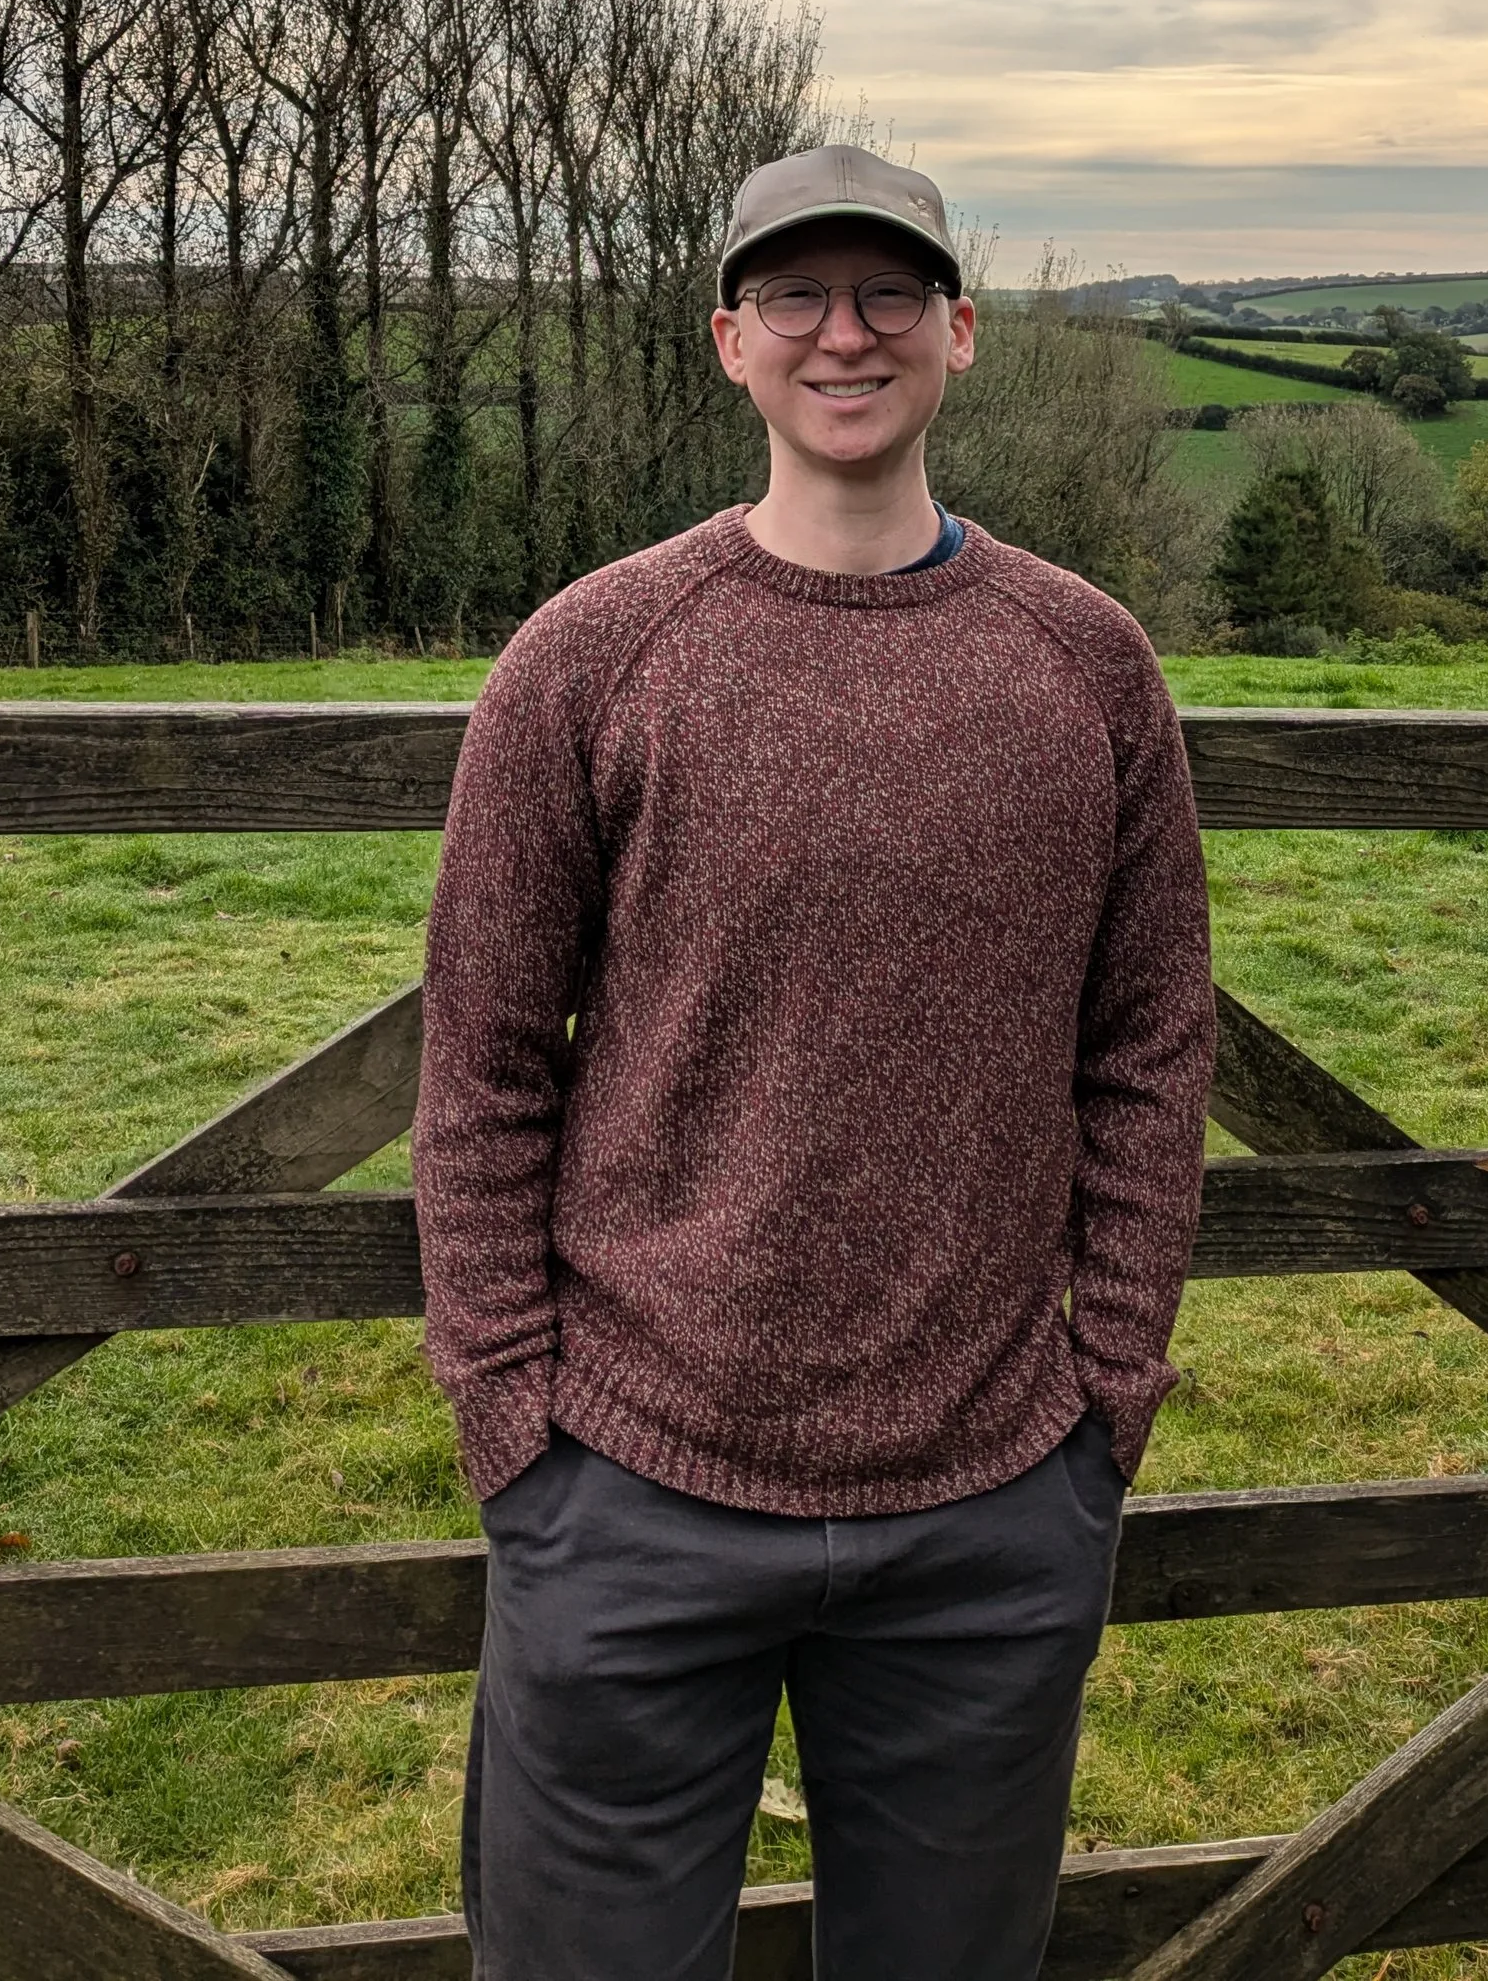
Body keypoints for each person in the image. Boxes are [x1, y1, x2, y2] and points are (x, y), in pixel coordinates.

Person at [413, 139, 1215, 1980]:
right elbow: (482, 1062)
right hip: (627, 1482)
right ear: (726, 340)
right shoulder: (591, 657)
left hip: (997, 1499)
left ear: (962, 334)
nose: (841, 335)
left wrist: (1107, 1394)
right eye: (794, 296)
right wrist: (512, 1427)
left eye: (885, 296)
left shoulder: (1088, 664)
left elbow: (1155, 1043)